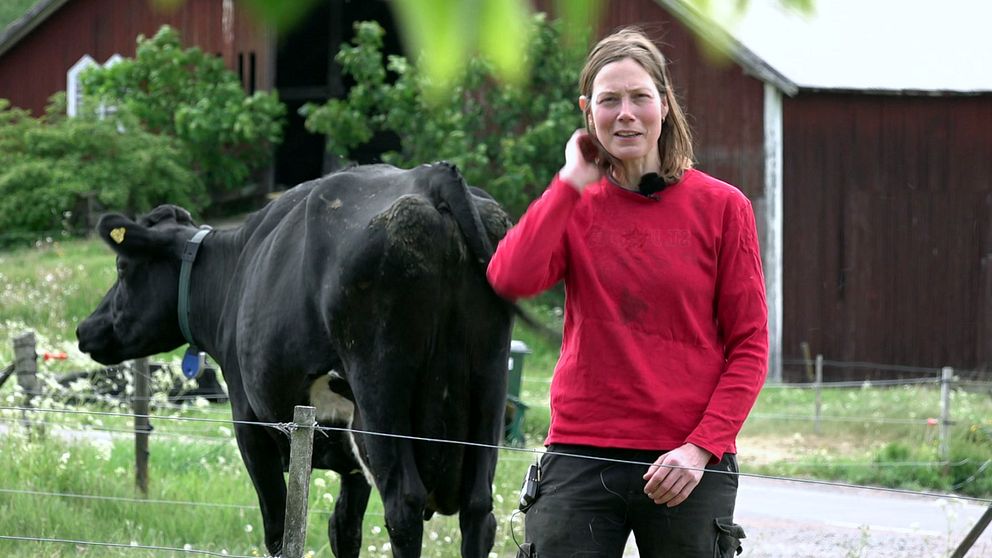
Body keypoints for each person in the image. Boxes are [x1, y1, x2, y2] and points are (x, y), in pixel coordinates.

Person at [486, 27, 768, 557]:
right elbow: (510, 276)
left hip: (686, 463)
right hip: (580, 453)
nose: (625, 113)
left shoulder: (723, 207)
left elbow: (750, 345)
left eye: (639, 97)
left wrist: (701, 448)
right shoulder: (575, 203)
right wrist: (570, 181)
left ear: (664, 102)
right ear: (587, 111)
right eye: (609, 100)